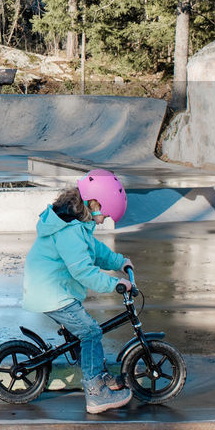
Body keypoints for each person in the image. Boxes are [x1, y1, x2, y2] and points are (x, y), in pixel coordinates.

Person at [21, 168, 134, 414]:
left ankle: (99, 375)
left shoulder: (77, 224)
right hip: (51, 292)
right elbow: (82, 271)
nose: (105, 220)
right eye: (106, 214)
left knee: (85, 331)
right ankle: (95, 393)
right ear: (95, 203)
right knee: (91, 332)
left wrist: (118, 262)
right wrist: (114, 284)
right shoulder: (69, 232)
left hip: (55, 289)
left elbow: (95, 250)